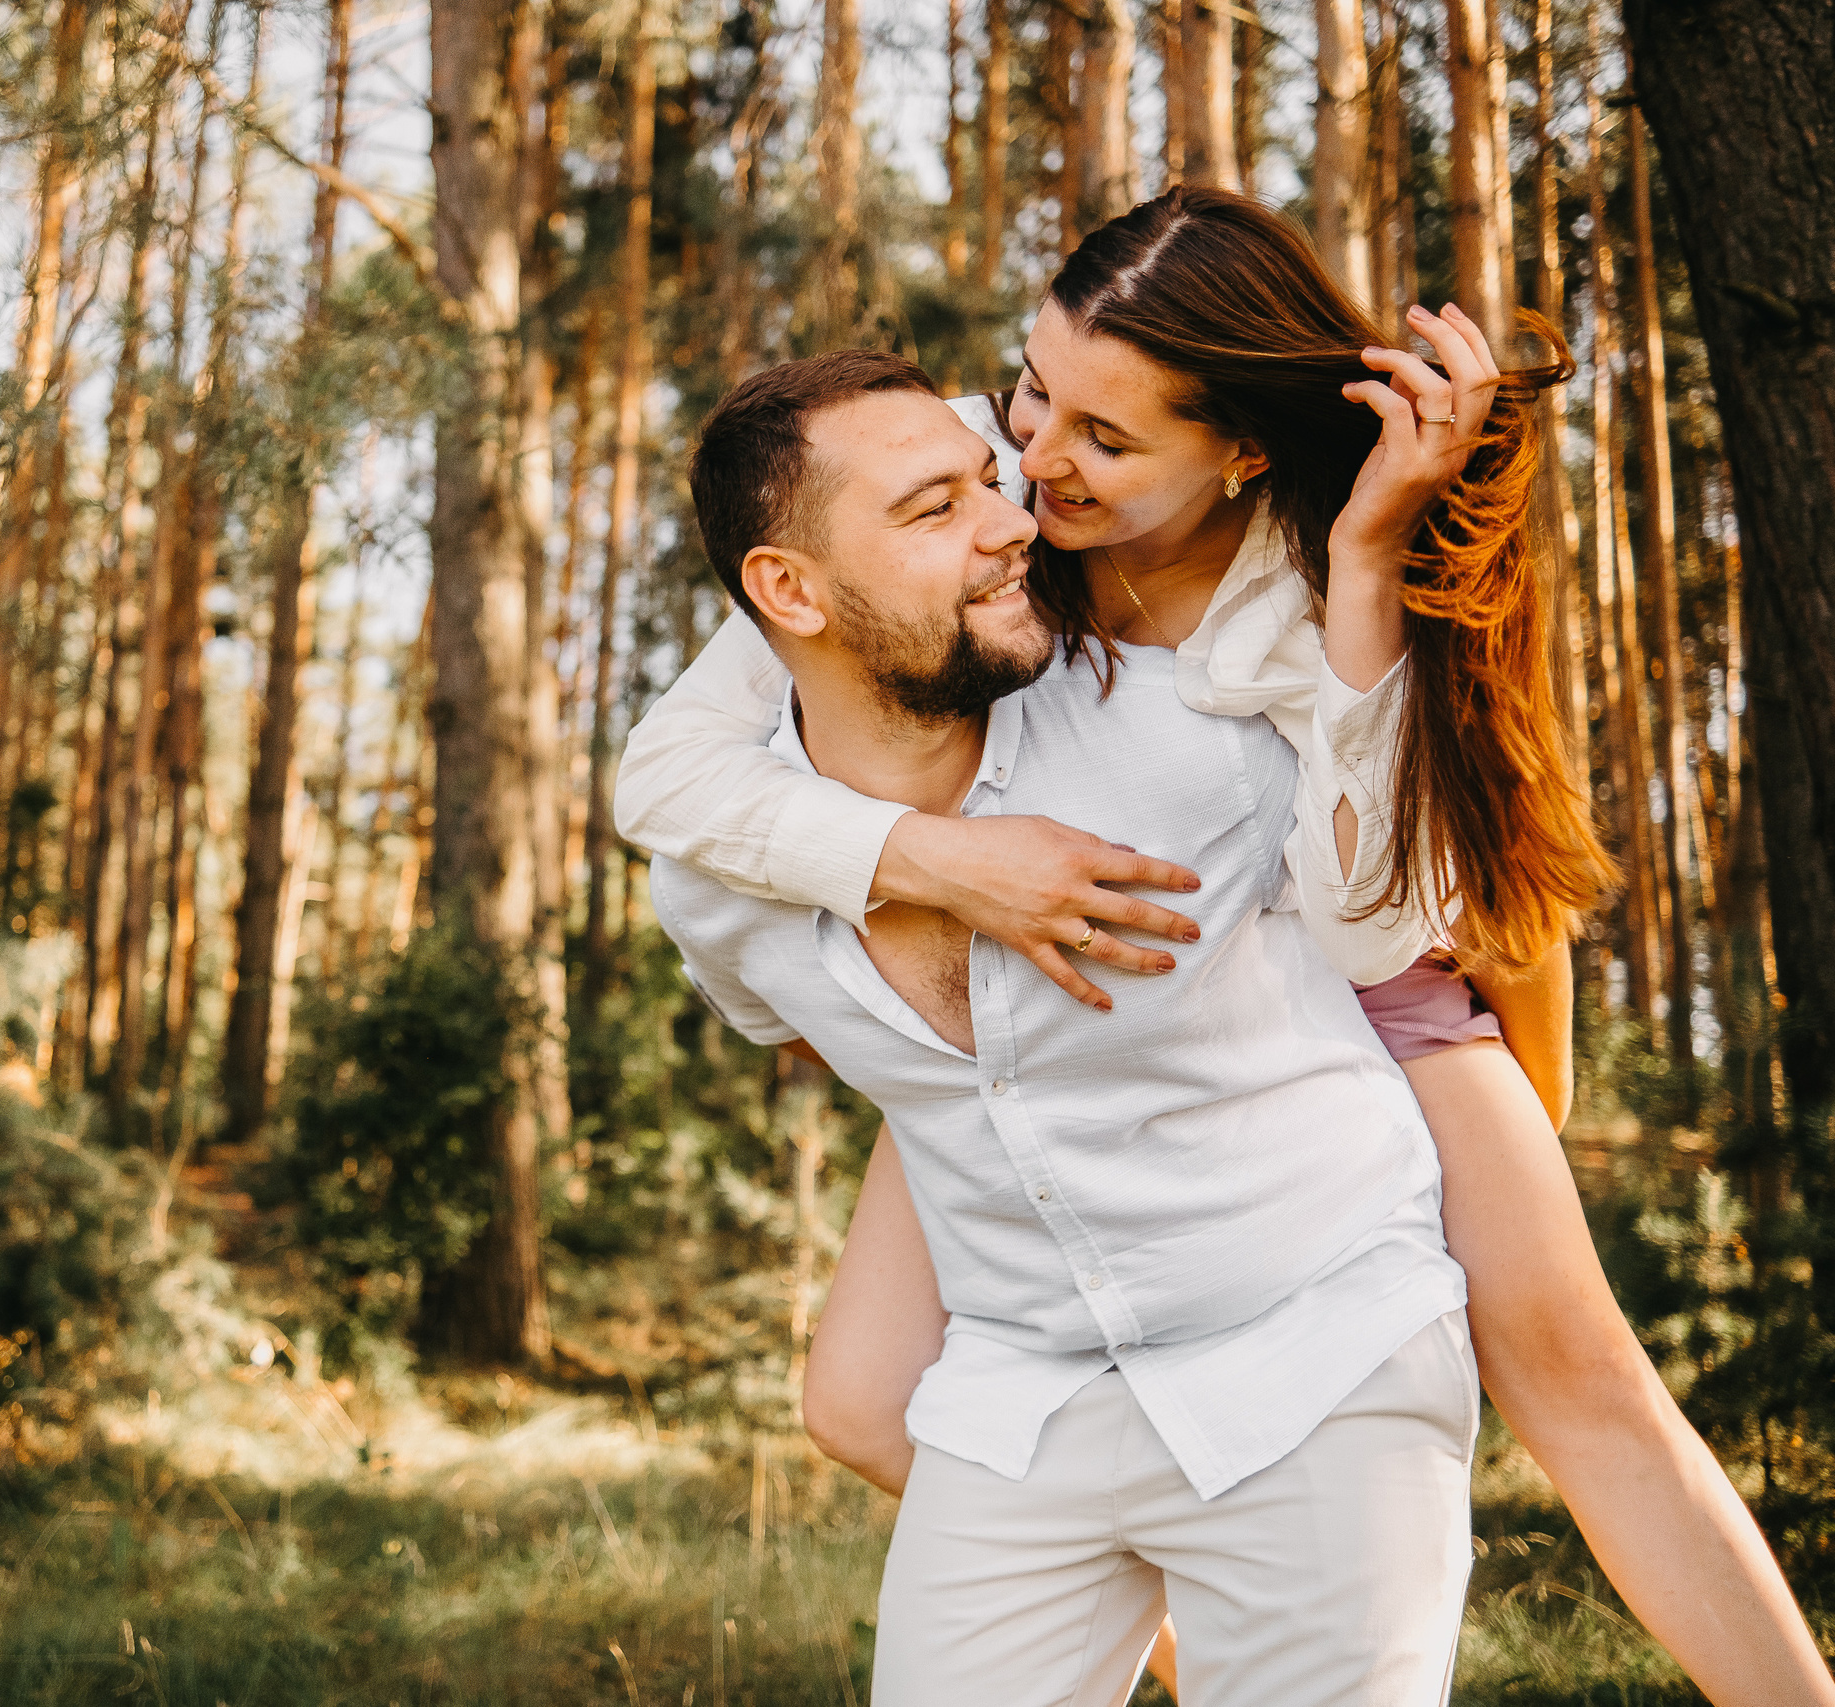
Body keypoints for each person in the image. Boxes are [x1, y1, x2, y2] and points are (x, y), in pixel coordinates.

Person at [622, 190, 1834, 1705]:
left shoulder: (1318, 576)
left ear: (1239, 452)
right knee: (862, 1403)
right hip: (1054, 1010)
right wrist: (937, 868)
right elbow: (664, 777)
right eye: (1027, 392)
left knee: (1577, 1374)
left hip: (1380, 966)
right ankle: (1204, 1619)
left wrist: (1520, 1102)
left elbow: (1439, 900)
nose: (1035, 464)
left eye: (1102, 441)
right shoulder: (983, 515)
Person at [655, 345, 1480, 1702]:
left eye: (990, 480)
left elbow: (1423, 900)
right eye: (933, 510)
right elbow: (822, 1043)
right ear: (788, 592)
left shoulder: (1197, 739)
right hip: (1014, 1409)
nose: (1011, 521)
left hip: (1317, 1363)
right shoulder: (716, 890)